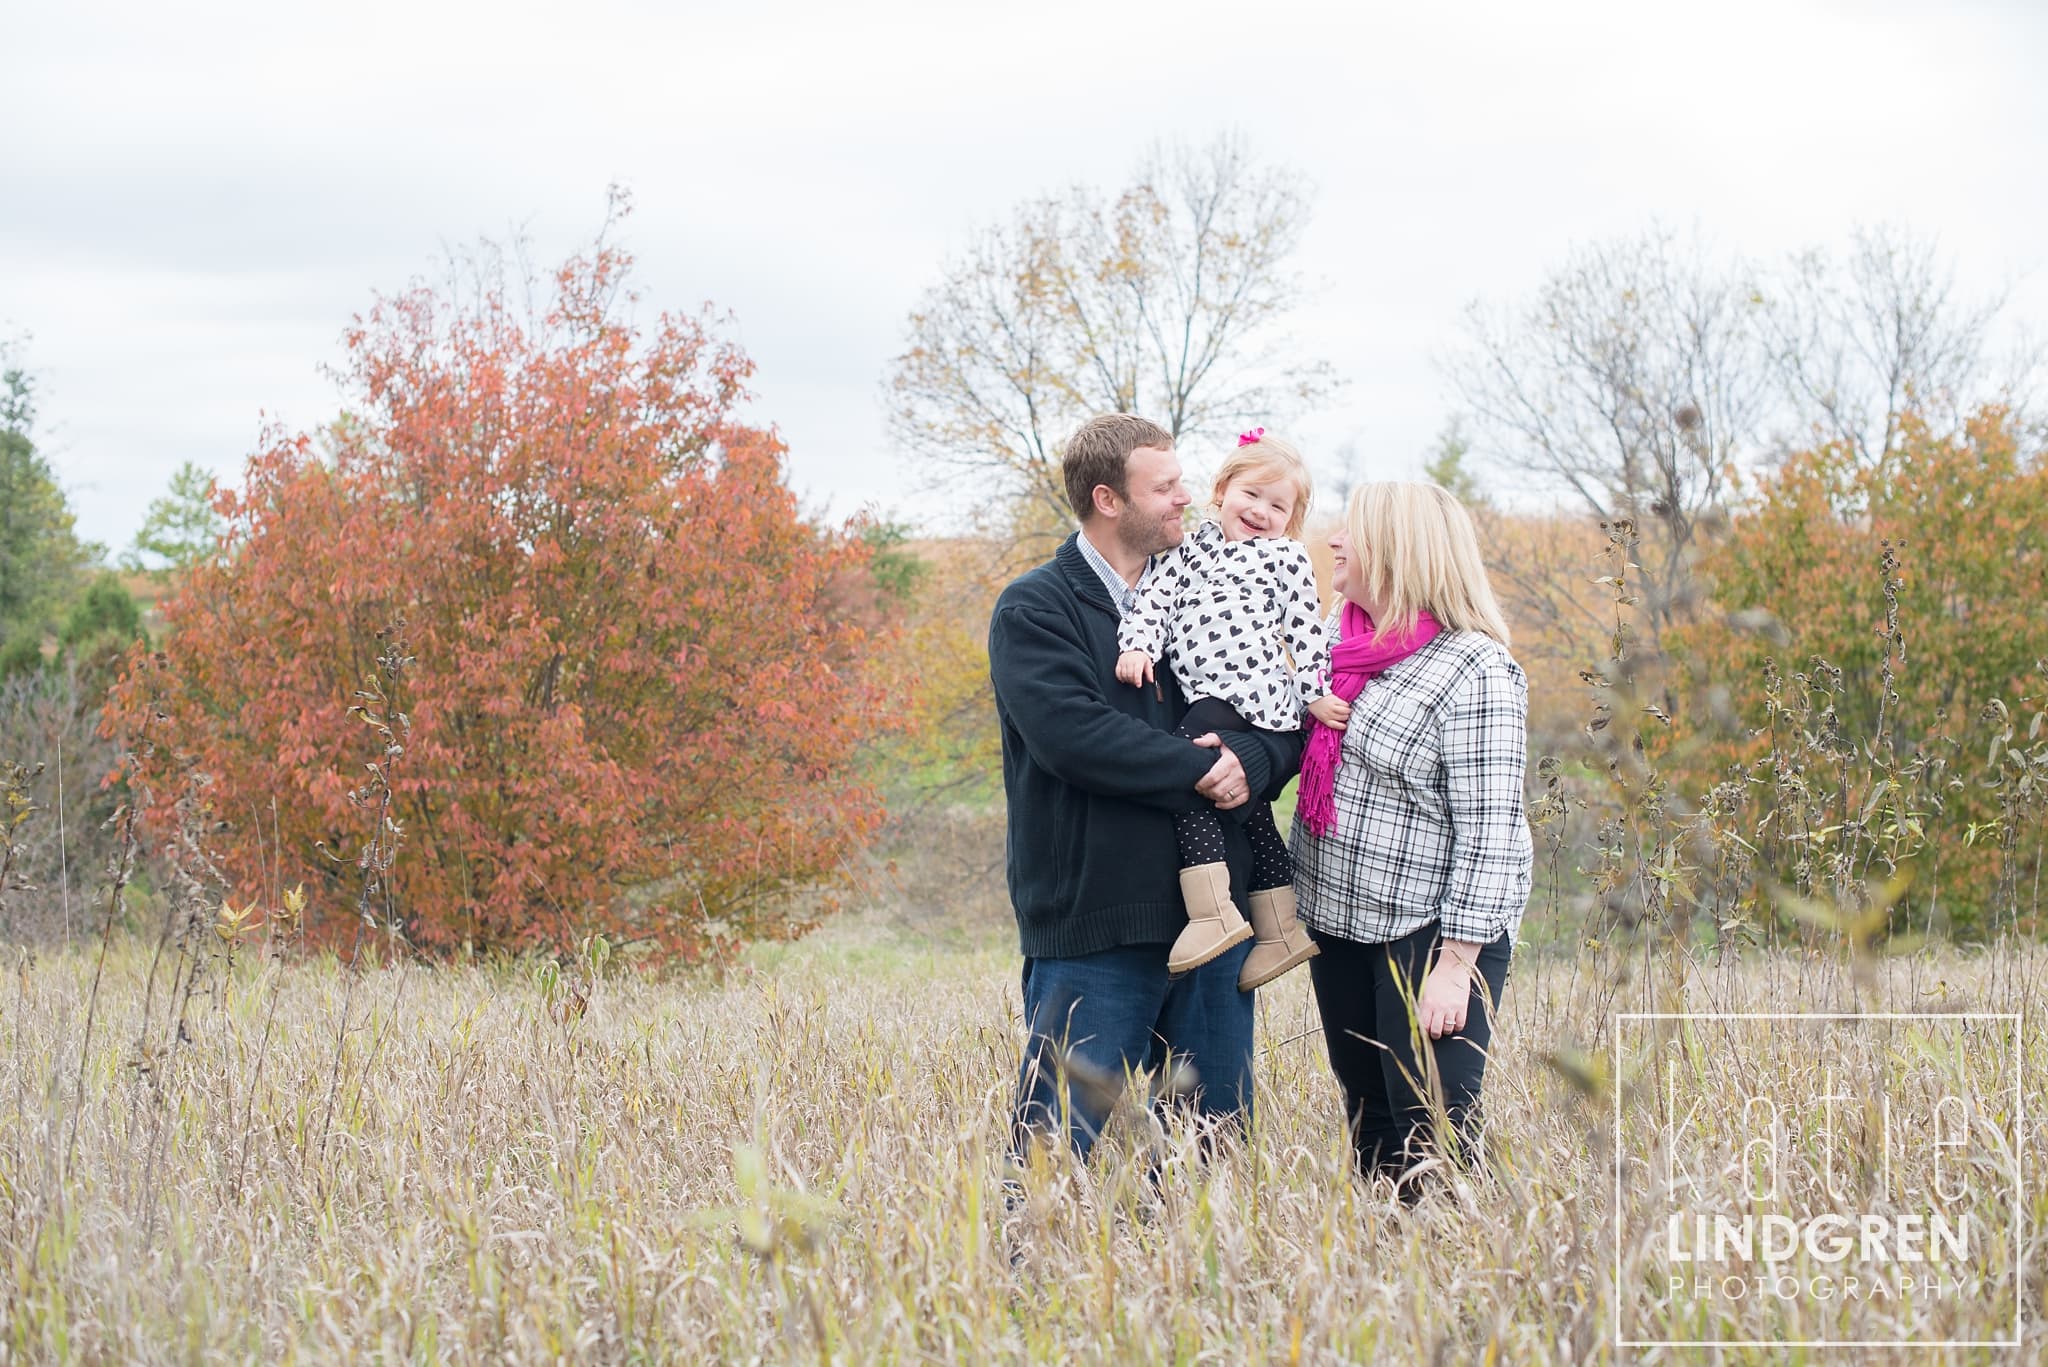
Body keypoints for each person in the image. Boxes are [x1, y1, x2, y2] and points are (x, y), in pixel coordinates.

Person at [989, 413, 1305, 1160]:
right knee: (1055, 1159)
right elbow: (1077, 738)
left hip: (1217, 928)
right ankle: (1035, 1280)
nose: (1184, 498)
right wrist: (1201, 767)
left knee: (1215, 1160)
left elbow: (1281, 711)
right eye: (1164, 486)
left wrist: (1253, 765)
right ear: (1108, 498)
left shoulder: (1217, 582)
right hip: (1097, 930)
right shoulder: (1036, 609)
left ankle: (1193, 1283)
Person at [1288, 481, 1533, 1198]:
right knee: (1370, 1126)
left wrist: (1458, 964)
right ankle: (1395, 1291)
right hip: (1340, 923)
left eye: (1351, 530)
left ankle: (1473, 1277)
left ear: (1397, 550)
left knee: (1435, 1130)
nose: (1333, 540)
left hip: (1430, 931)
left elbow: (1491, 833)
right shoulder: (1338, 638)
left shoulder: (1475, 669)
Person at [1113, 429, 1337, 987]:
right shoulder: (1187, 549)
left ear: (1292, 518)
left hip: (1250, 693)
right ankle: (1281, 928)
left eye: (1278, 505)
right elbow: (1154, 600)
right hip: (1204, 692)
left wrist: (1315, 694)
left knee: (1189, 777)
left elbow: (1305, 633)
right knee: (1248, 803)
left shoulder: (1286, 561)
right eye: (1251, 495)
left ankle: (1213, 914)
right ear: (1222, 490)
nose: (1261, 511)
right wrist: (1138, 644)